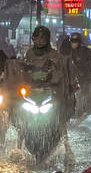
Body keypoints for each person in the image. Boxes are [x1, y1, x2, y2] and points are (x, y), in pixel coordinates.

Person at [19, 26, 72, 156]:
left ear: (47, 39)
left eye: (43, 38)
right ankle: (18, 147)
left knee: (60, 117)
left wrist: (53, 75)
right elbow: (23, 72)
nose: (40, 41)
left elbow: (61, 72)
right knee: (21, 116)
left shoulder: (55, 55)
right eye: (37, 38)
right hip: (33, 93)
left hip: (50, 92)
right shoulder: (29, 54)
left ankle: (67, 147)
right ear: (33, 39)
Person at [70, 32, 91, 104]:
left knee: (87, 93)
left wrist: (84, 72)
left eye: (75, 41)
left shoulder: (86, 51)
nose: (73, 43)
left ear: (79, 42)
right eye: (72, 41)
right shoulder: (70, 52)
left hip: (85, 78)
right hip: (74, 78)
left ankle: (90, 101)